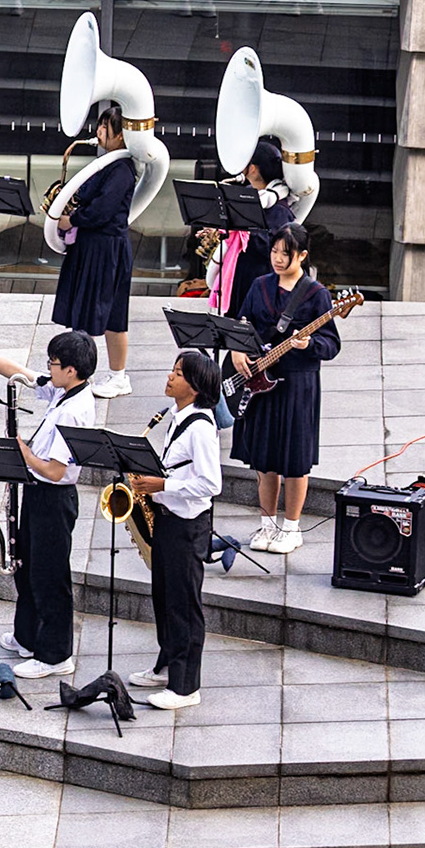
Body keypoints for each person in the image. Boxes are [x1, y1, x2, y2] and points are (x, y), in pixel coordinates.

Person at [0, 329, 99, 680]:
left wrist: (22, 453)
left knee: (49, 575)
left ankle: (55, 655)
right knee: (28, 566)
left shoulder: (76, 410)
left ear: (71, 370)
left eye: (54, 364)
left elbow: (56, 471)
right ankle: (27, 636)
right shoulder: (65, 389)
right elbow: (18, 372)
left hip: (53, 498)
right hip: (38, 493)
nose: (48, 369)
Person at [232, 224, 341, 555]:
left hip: (298, 382)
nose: (278, 259)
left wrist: (308, 343)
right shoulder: (260, 285)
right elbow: (242, 323)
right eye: (274, 252)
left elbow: (332, 343)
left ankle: (292, 528)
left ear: (303, 256)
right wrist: (237, 351)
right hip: (262, 381)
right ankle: (268, 524)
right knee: (264, 458)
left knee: (295, 457)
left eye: (286, 254)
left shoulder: (316, 294)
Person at [127, 352, 223, 711]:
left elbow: (211, 483)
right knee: (164, 597)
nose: (170, 376)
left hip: (187, 526)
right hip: (168, 519)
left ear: (196, 386)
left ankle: (185, 687)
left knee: (184, 604)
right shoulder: (176, 418)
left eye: (179, 373)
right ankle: (167, 665)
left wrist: (162, 484)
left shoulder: (200, 426)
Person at [51, 107, 137, 398]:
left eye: (105, 127)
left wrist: (71, 219)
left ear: (121, 134)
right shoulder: (107, 164)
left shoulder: (122, 168)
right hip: (93, 244)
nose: (98, 132)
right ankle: (77, 371)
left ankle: (115, 377)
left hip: (106, 247)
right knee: (87, 312)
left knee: (111, 315)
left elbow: (102, 210)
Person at [206, 140, 296, 322]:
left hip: (257, 280)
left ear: (253, 168)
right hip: (241, 275)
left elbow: (269, 246)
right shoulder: (247, 194)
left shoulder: (278, 209)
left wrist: (235, 230)